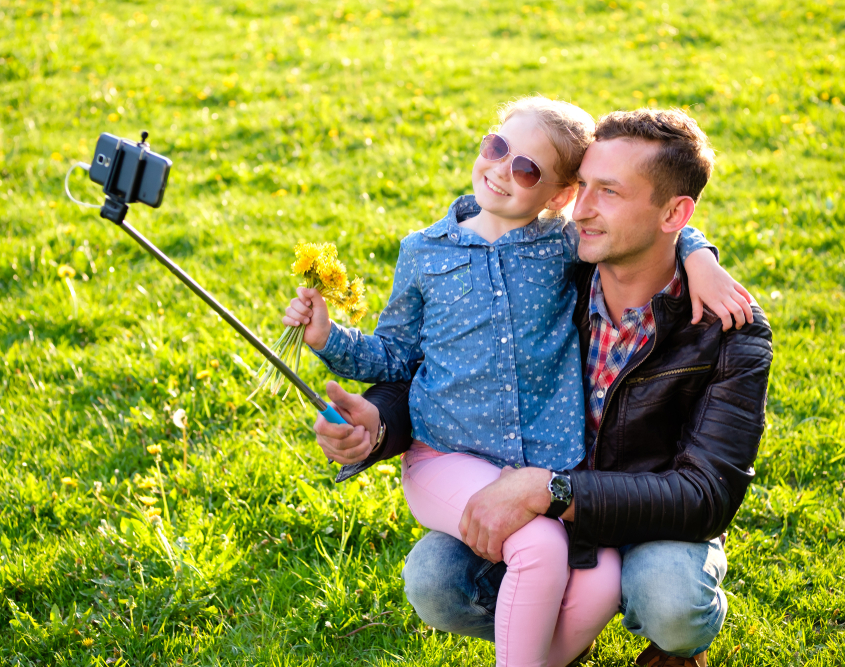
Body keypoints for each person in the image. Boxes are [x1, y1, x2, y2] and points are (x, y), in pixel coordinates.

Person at [286, 100, 754, 667]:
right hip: (485, 466)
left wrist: (698, 253)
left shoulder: (713, 321)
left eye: (530, 170)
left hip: (608, 496)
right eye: (496, 147)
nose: (582, 210)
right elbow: (419, 357)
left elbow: (707, 494)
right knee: (469, 567)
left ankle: (650, 649)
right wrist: (367, 403)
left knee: (636, 584)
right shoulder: (498, 256)